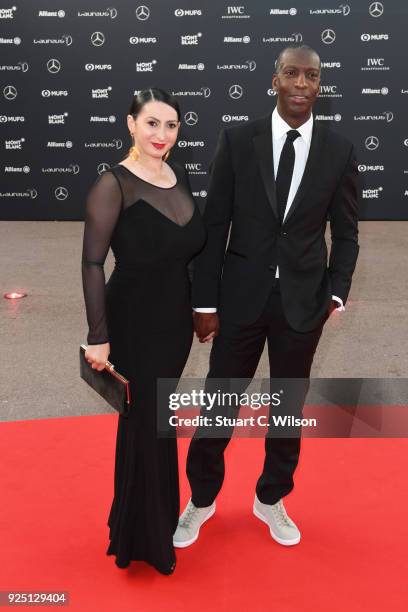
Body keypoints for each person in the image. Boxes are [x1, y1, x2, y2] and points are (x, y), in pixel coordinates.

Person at [173, 45, 360, 548]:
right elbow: (216, 226)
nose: (302, 84)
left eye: (313, 76)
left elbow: (346, 232)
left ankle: (271, 498)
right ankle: (201, 500)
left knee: (286, 407)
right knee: (220, 403)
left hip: (303, 301)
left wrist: (336, 293)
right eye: (292, 74)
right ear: (274, 79)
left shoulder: (339, 149)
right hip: (240, 298)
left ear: (320, 85)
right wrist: (205, 303)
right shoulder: (238, 140)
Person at [81, 88, 206, 574]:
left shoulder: (181, 176)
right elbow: (93, 263)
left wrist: (201, 309)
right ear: (131, 123)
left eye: (171, 125)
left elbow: (190, 251)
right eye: (152, 123)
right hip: (132, 319)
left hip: (173, 322)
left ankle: (134, 524)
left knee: (152, 422)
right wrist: (98, 334)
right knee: (149, 422)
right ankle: (147, 538)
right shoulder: (113, 184)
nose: (162, 134)